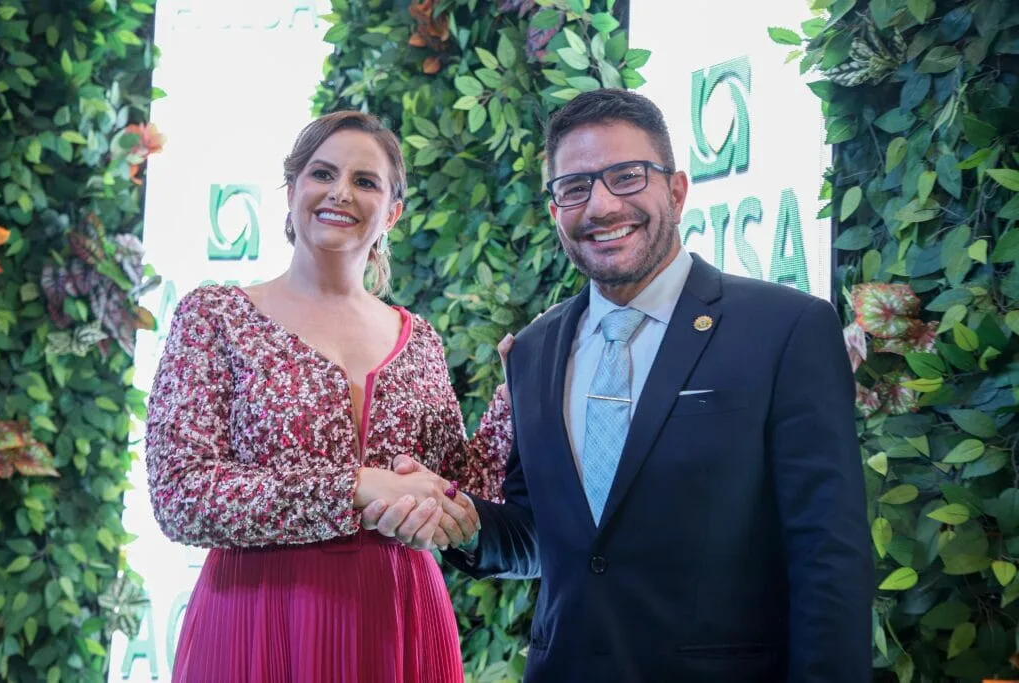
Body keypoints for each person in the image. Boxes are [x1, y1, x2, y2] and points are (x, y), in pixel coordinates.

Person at [364, 89, 874, 682]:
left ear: (676, 191)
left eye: (627, 177)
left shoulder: (784, 328)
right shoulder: (533, 350)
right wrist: (464, 521)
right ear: (554, 210)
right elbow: (543, 534)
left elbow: (828, 555)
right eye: (575, 187)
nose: (601, 206)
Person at [144, 110, 510, 683]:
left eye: (365, 181)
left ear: (392, 213)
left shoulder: (419, 339)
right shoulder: (215, 316)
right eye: (322, 173)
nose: (340, 192)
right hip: (258, 618)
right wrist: (355, 486)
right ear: (292, 190)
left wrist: (517, 396)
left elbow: (459, 491)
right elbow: (182, 495)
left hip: (399, 617)